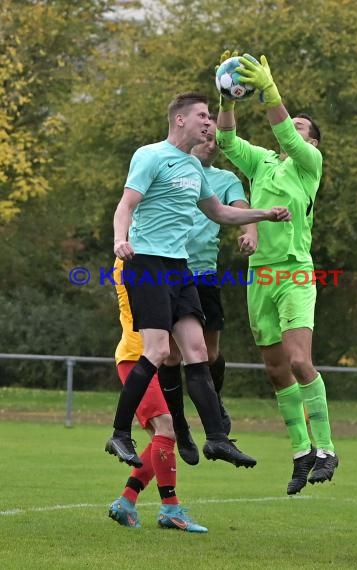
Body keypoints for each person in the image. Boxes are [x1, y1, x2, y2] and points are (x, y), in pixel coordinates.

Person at [105, 91, 291, 470]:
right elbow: (126, 205)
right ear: (180, 120)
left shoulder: (194, 171)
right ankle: (119, 434)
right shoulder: (151, 155)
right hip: (146, 263)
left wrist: (264, 215)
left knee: (198, 353)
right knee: (157, 352)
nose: (209, 123)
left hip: (180, 268)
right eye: (203, 116)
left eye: (210, 116)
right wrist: (120, 240)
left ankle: (218, 440)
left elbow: (220, 212)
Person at [216, 53, 339, 495]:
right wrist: (226, 98)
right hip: (260, 277)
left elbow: (282, 128)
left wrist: (271, 93)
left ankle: (326, 448)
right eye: (295, 124)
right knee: (274, 369)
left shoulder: (309, 166)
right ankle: (301, 451)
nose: (295, 128)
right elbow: (228, 141)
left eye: (303, 128)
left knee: (300, 360)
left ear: (314, 144)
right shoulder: (264, 163)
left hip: (294, 274)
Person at [158, 114, 256, 454]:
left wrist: (251, 230)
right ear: (192, 135)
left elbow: (240, 209)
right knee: (171, 355)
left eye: (217, 141)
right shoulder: (169, 167)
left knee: (209, 352)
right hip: (169, 270)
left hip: (204, 275)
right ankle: (180, 425)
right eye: (207, 138)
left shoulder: (225, 178)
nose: (212, 145)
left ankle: (214, 405)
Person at [108, 257, 207, 532]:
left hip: (147, 360)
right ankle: (170, 509)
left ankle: (127, 502)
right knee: (166, 429)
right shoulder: (133, 261)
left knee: (162, 438)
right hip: (136, 358)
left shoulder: (146, 258)